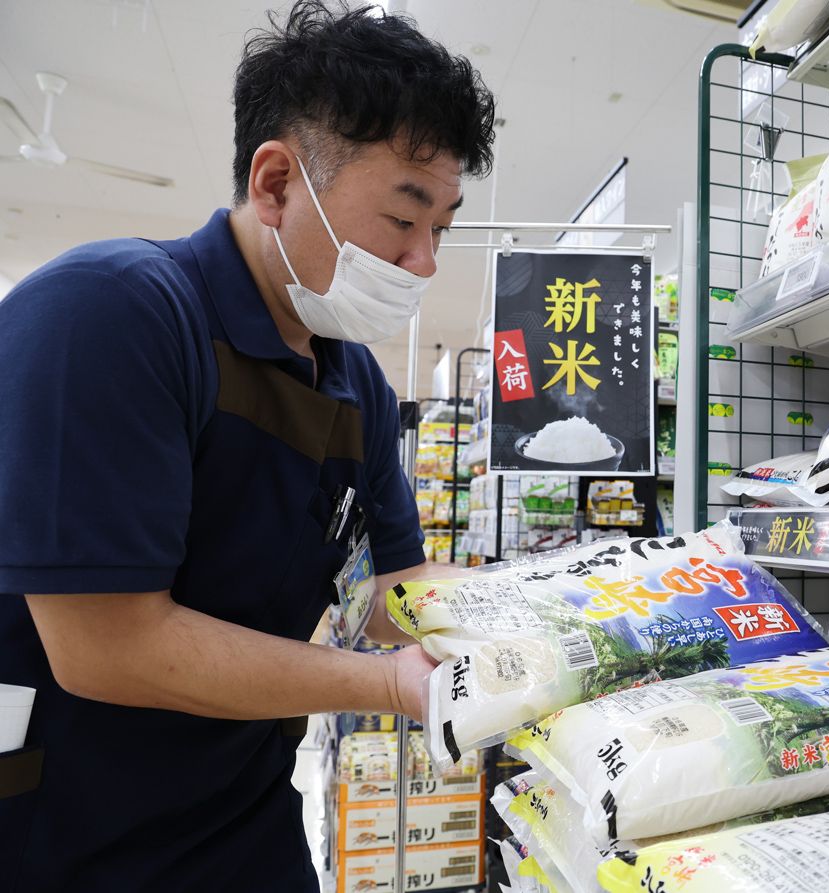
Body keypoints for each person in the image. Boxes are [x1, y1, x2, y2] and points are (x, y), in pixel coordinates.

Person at [0, 2, 495, 889]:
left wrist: (554, 605)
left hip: (243, 821)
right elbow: (107, 645)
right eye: (403, 217)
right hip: (63, 833)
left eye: (442, 229)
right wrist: (388, 684)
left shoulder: (357, 386)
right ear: (275, 183)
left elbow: (389, 591)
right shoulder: (112, 315)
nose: (425, 262)